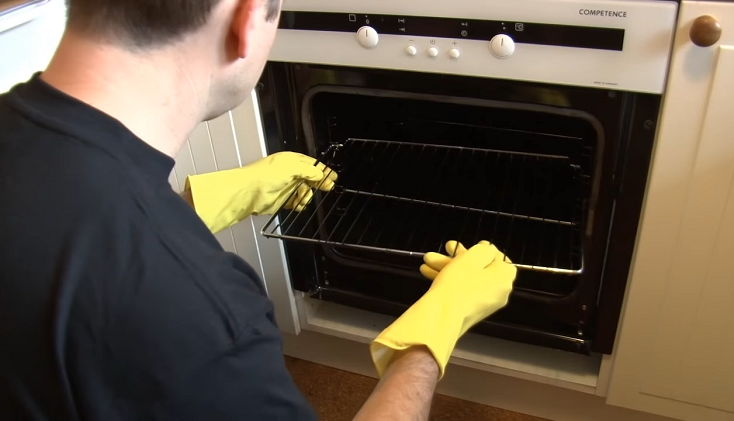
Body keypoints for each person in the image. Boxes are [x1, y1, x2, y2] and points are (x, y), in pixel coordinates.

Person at [0, 0, 517, 419]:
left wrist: (211, 200)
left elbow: (74, 240)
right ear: (246, 19)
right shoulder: (205, 320)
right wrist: (429, 338)